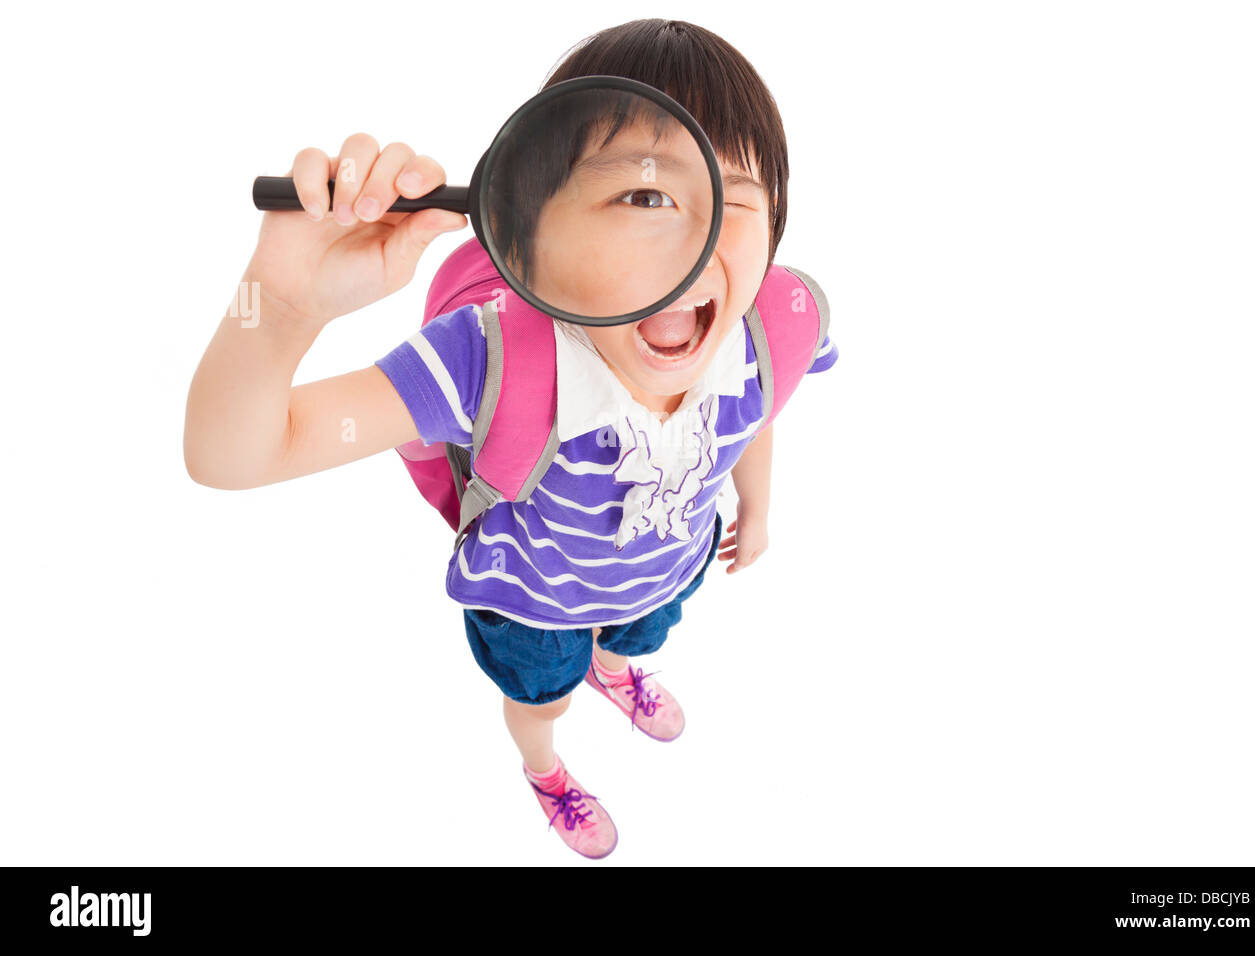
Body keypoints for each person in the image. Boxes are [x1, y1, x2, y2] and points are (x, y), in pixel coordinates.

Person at [184, 18, 838, 860]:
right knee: (542, 697)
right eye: (646, 195)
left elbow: (757, 409)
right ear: (532, 234)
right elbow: (229, 455)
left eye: (735, 198)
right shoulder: (483, 358)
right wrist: (276, 301)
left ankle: (614, 664)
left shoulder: (773, 326)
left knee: (638, 630)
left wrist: (759, 503)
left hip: (668, 563)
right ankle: (545, 767)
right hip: (534, 603)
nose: (695, 240)